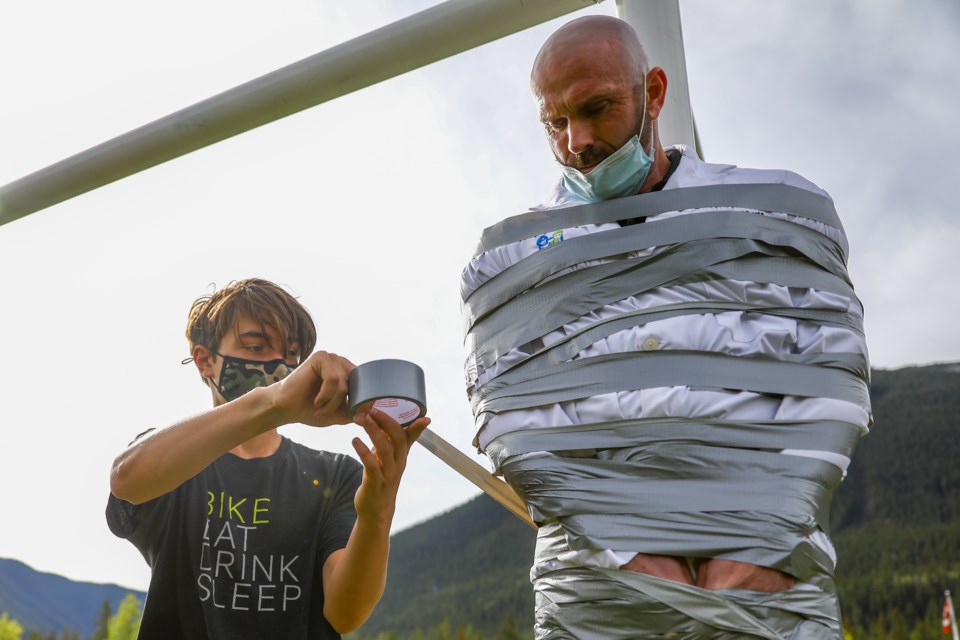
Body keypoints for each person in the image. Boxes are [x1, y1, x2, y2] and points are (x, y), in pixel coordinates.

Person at [460, 16, 870, 639]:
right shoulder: (512, 263)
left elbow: (830, 372)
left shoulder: (768, 212)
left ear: (653, 92)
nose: (577, 142)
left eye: (597, 108)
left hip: (769, 581)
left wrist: (757, 543)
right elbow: (510, 411)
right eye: (555, 123)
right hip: (597, 594)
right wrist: (629, 553)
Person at [106, 278, 429, 640]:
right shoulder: (178, 461)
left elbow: (345, 613)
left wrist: (377, 514)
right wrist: (272, 402)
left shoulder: (336, 475)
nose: (279, 365)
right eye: (257, 347)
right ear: (205, 361)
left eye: (292, 354)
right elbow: (126, 479)